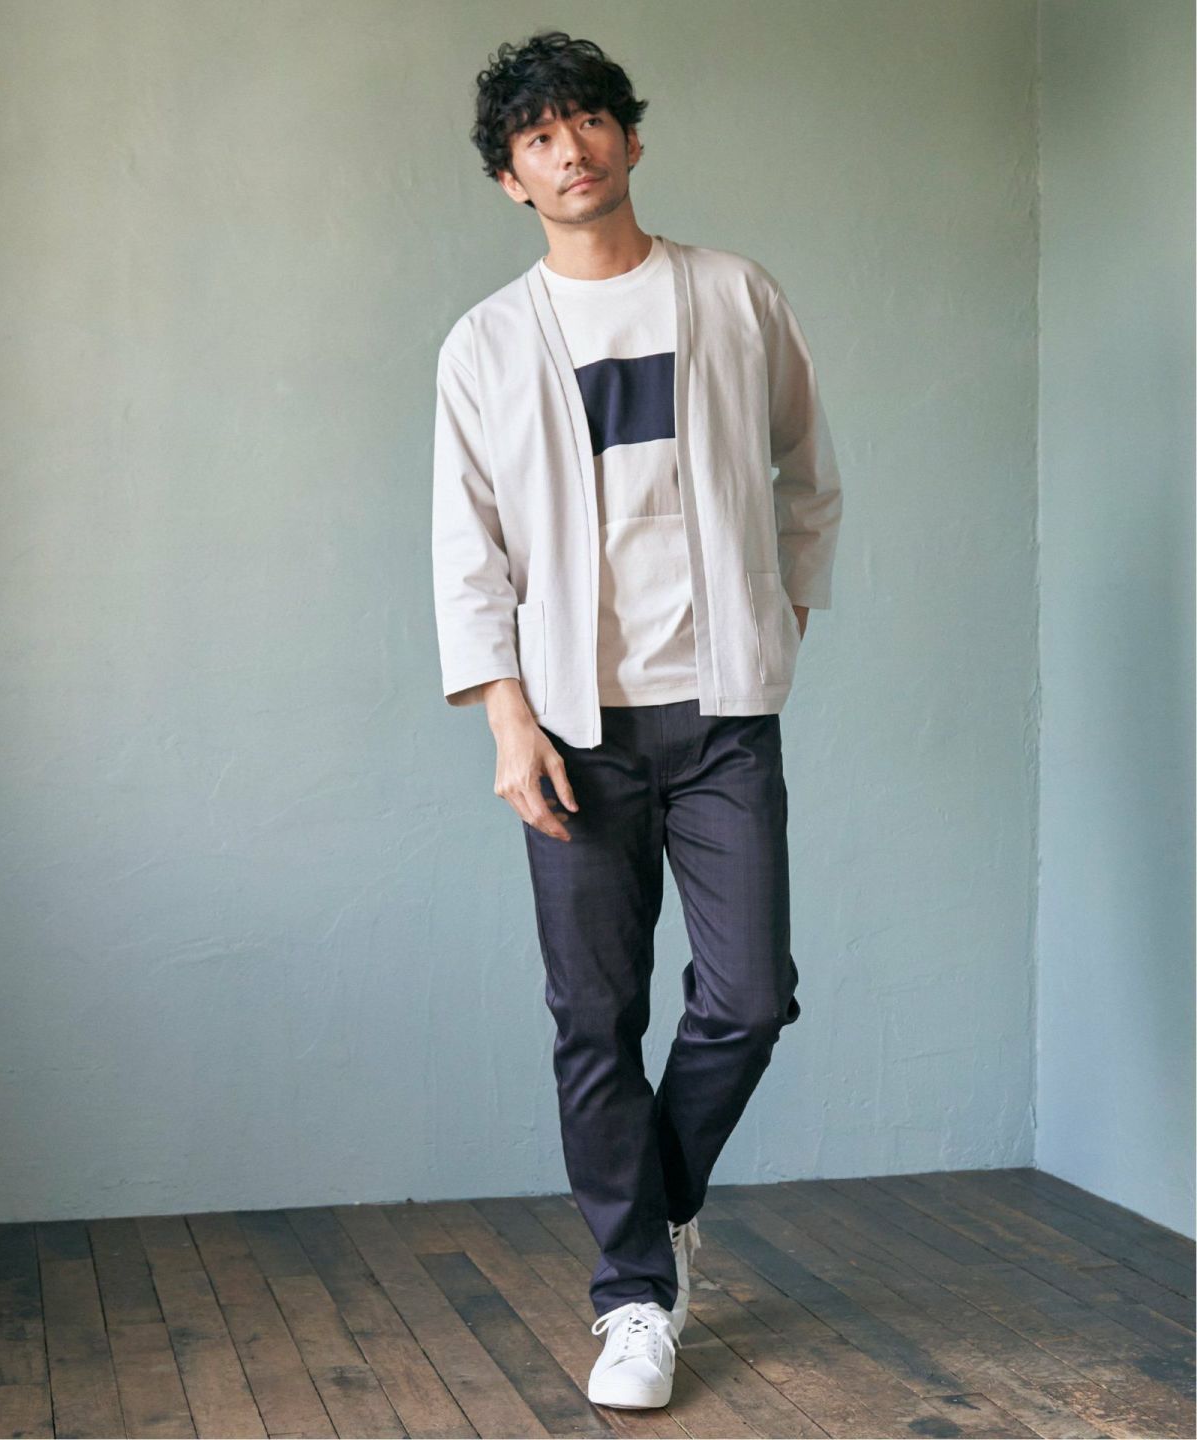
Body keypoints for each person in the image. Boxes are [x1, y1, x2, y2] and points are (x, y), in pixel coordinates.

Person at [431, 29, 843, 1411]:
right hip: (573, 730)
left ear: (631, 138)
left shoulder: (733, 295)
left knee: (749, 998)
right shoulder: (488, 344)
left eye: (590, 121)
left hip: (722, 718)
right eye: (539, 137)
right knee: (594, 1016)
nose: (572, 151)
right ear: (512, 178)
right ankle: (632, 1299)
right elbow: (467, 550)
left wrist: (781, 621)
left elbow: (807, 472)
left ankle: (649, 1208)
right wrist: (507, 717)